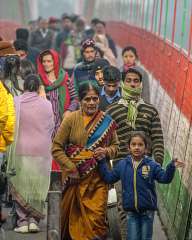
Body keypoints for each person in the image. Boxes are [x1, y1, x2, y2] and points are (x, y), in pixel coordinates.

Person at [52, 81, 119, 240]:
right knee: (72, 222)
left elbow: (116, 147)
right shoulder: (71, 119)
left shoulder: (107, 121)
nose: (91, 103)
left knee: (96, 222)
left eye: (95, 99)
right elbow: (56, 147)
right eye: (87, 99)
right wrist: (71, 168)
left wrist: (106, 151)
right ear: (80, 101)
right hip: (74, 181)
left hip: (97, 182)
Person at [106, 66, 164, 240]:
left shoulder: (150, 111)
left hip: (145, 170)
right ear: (123, 83)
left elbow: (158, 139)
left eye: (136, 81)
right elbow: (107, 141)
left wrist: (157, 165)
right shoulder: (112, 111)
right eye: (129, 80)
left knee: (146, 209)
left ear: (140, 84)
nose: (132, 84)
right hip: (121, 168)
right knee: (124, 210)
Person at [98, 131, 184, 240]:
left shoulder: (151, 165)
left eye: (140, 145)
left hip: (147, 212)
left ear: (146, 147)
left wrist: (171, 167)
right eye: (133, 144)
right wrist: (101, 161)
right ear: (128, 148)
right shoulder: (123, 165)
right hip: (131, 213)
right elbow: (109, 178)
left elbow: (164, 179)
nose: (137, 147)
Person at [7, 74, 54, 233]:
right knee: (36, 186)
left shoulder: (16, 102)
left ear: (24, 86)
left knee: (21, 185)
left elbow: (10, 125)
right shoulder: (47, 105)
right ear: (38, 87)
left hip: (21, 150)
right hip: (41, 151)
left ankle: (22, 223)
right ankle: (34, 220)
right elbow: (51, 127)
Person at [37, 49, 78, 138]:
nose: (46, 64)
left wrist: (69, 110)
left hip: (63, 125)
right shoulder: (38, 81)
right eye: (44, 61)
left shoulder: (65, 78)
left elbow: (75, 98)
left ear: (55, 62)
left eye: (49, 61)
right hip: (45, 128)